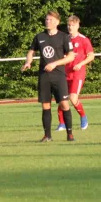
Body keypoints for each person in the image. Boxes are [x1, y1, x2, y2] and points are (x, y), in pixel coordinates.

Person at [21, 11, 76, 142]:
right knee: (45, 105)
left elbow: (71, 56)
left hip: (59, 75)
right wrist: (28, 61)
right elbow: (31, 51)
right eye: (46, 19)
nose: (47, 21)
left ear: (57, 22)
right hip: (44, 76)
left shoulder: (64, 37)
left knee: (64, 104)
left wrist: (55, 64)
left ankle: (70, 134)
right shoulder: (39, 37)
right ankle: (47, 136)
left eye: (50, 20)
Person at [56, 15, 94, 131]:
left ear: (78, 26)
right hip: (65, 73)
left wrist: (81, 64)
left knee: (72, 98)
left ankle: (83, 117)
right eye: (68, 25)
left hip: (78, 74)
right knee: (62, 99)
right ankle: (62, 124)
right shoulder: (65, 39)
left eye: (73, 25)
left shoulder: (83, 40)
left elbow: (91, 56)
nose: (70, 27)